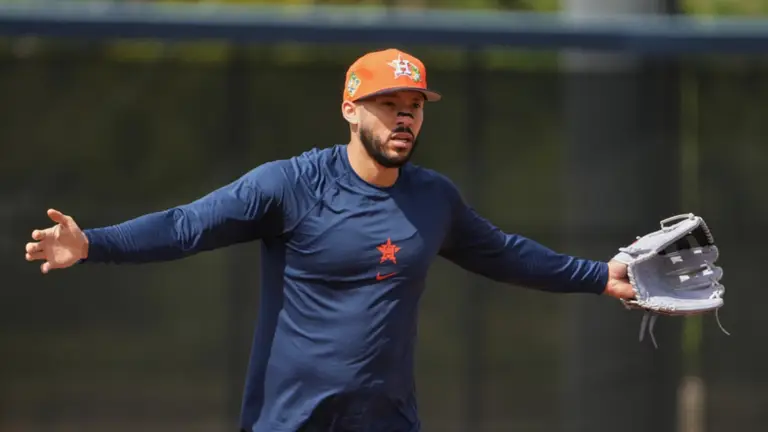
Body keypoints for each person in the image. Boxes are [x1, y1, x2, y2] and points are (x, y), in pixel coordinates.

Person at [24, 48, 634, 432]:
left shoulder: (433, 198)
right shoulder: (289, 186)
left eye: (414, 105)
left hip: (388, 421)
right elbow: (186, 225)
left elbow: (503, 253)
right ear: (350, 109)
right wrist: (91, 243)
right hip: (289, 421)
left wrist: (597, 276)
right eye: (387, 103)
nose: (404, 116)